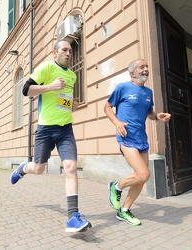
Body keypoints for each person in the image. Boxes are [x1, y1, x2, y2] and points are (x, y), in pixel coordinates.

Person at [10, 40, 91, 233]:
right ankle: (23, 168)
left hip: (65, 128)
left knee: (70, 167)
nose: (68, 53)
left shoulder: (72, 76)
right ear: (54, 53)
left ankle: (73, 217)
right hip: (45, 129)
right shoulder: (47, 67)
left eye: (70, 50)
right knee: (38, 169)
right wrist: (50, 87)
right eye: (64, 49)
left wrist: (71, 105)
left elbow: (64, 100)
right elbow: (26, 90)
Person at [104, 59, 171, 226]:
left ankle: (124, 210)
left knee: (141, 179)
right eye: (142, 67)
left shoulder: (148, 92)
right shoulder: (122, 88)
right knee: (143, 174)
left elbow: (149, 112)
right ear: (132, 73)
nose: (146, 69)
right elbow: (107, 108)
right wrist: (117, 122)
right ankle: (116, 187)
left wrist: (157, 116)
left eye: (147, 66)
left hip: (142, 138)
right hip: (126, 136)